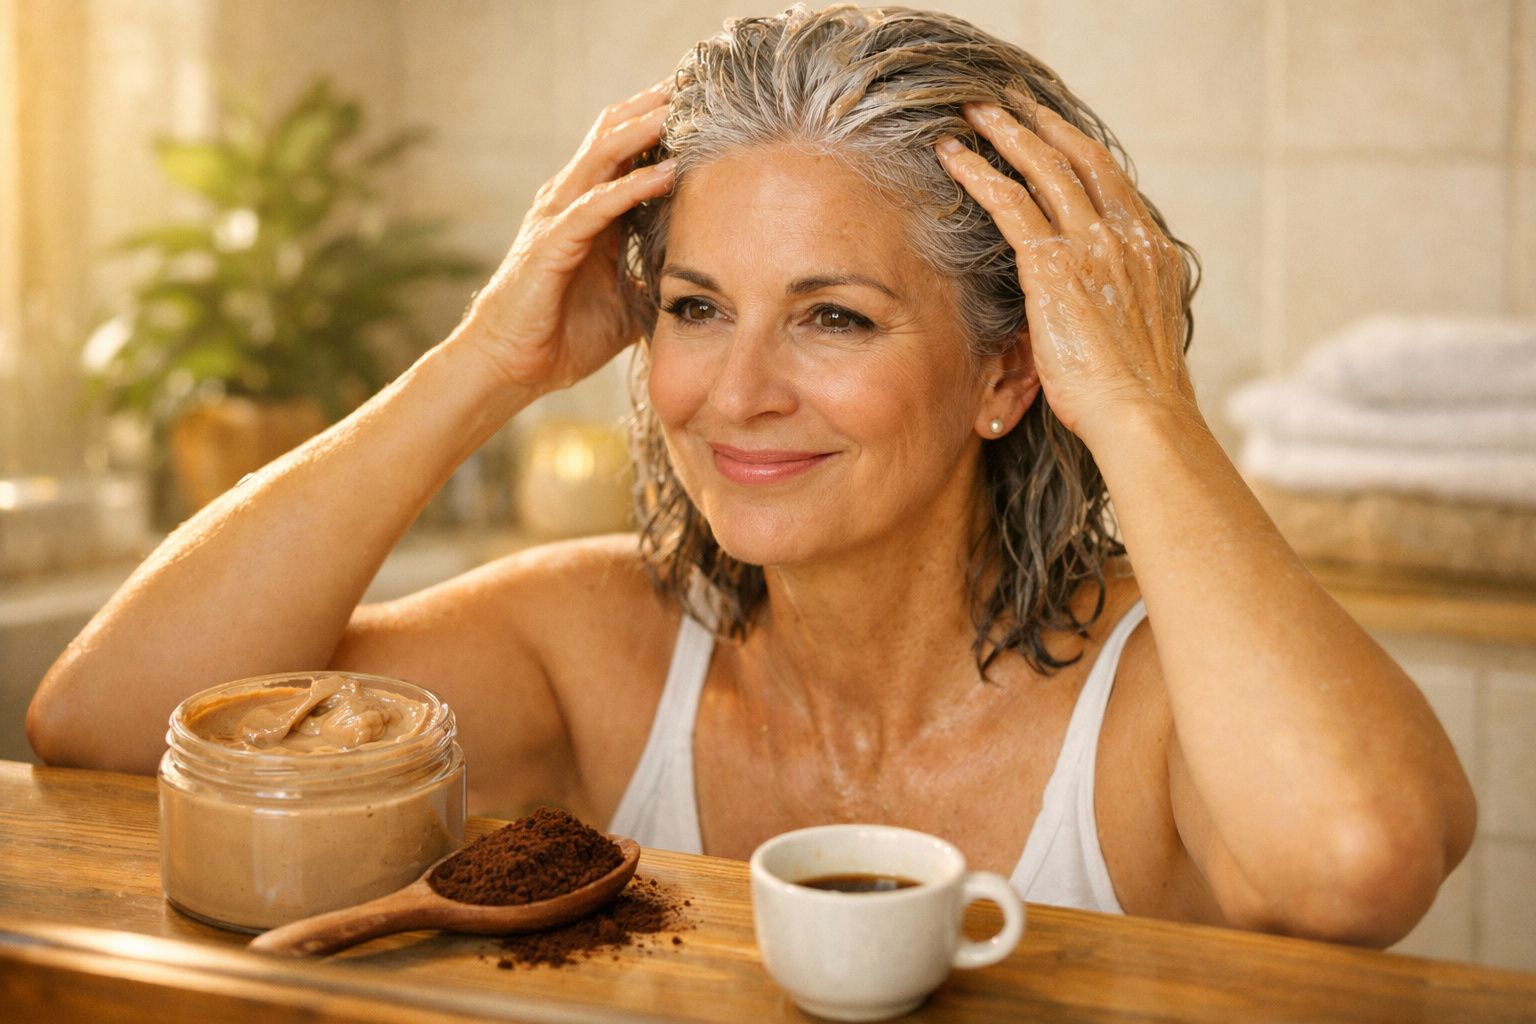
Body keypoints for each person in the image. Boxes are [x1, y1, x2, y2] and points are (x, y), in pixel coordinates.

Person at [28, 5, 1474, 946]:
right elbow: (105, 732)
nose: (737, 391)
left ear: (1007, 374)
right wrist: (483, 360)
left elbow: (1363, 862)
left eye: (833, 317)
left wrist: (1143, 408)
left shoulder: (1154, 704)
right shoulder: (597, 649)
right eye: (696, 307)